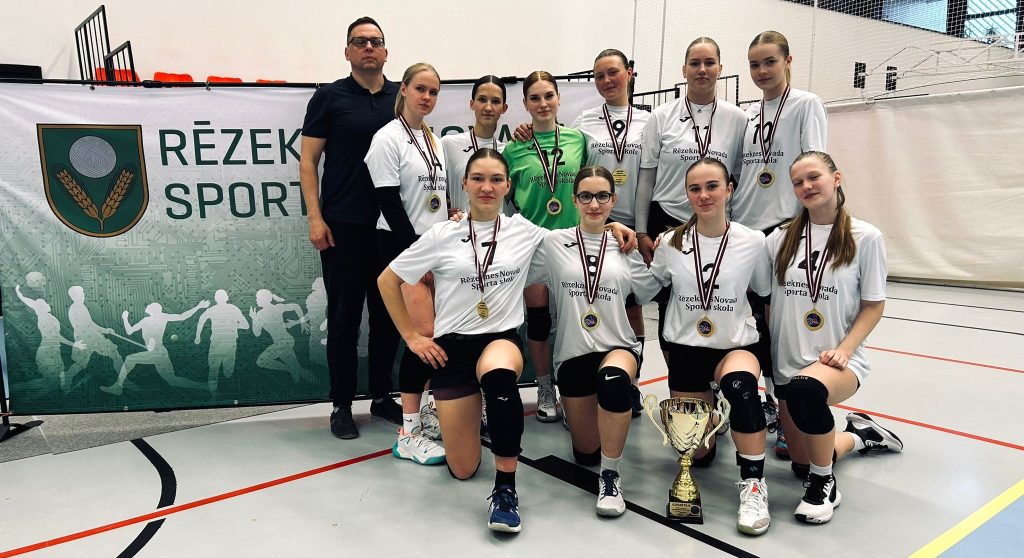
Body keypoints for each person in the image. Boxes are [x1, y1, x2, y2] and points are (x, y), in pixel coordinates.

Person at [378, 149, 634, 533]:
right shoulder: (442, 235)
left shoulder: (524, 230)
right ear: (464, 184)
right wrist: (412, 337)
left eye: (496, 179)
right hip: (453, 348)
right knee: (463, 468)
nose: (487, 187)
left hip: (500, 341)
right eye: (478, 178)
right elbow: (388, 280)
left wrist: (612, 225)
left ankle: (505, 489)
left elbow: (580, 234)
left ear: (507, 186)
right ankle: (445, 428)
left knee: (499, 376)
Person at [756, 151, 902, 525]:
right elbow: (765, 298)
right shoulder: (780, 238)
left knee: (806, 393)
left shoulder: (865, 237)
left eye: (814, 177)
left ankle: (825, 484)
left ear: (836, 178)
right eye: (798, 182)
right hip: (788, 362)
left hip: (836, 362)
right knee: (801, 463)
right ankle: (860, 435)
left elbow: (873, 305)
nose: (806, 186)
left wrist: (845, 350)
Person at [647, 158, 774, 535]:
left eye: (712, 186)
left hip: (733, 346)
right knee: (697, 455)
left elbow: (763, 291)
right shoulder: (671, 242)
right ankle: (716, 416)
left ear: (729, 189)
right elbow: (649, 285)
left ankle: (754, 485)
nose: (704, 195)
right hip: (686, 349)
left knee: (741, 387)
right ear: (687, 194)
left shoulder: (753, 241)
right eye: (695, 188)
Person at [530, 166, 661, 517]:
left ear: (613, 199)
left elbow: (649, 289)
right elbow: (511, 255)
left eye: (602, 196)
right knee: (585, 453)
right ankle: (587, 421)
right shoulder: (553, 243)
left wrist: (655, 248)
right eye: (586, 196)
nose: (594, 204)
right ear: (574, 200)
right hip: (572, 354)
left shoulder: (624, 247)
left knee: (613, 381)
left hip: (618, 347)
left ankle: (611, 476)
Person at [300, 16, 403, 439]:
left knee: (387, 318)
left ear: (386, 51)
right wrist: (315, 217)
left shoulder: (401, 96)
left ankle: (381, 396)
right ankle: (341, 404)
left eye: (376, 41)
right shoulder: (328, 97)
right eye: (360, 42)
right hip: (342, 225)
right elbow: (309, 162)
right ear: (347, 52)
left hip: (391, 228)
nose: (368, 48)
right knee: (344, 320)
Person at [732, 30, 829, 459]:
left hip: (786, 228)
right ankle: (769, 403)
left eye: (769, 61)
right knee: (752, 325)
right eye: (754, 64)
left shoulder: (806, 104)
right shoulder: (748, 115)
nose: (762, 71)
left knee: (784, 328)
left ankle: (790, 412)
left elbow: (815, 166)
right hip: (746, 229)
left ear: (788, 61)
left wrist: (806, 226)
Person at [634, 37, 749, 371]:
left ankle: (717, 376)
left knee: (717, 298)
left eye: (709, 63)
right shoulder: (661, 116)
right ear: (683, 69)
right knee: (670, 304)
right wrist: (642, 230)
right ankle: (681, 381)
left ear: (720, 68)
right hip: (667, 221)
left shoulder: (737, 118)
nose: (702, 70)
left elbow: (738, 178)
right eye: (695, 63)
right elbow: (646, 178)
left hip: (716, 225)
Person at [365, 62, 448, 463]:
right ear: (403, 89)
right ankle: (408, 433)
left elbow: (435, 200)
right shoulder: (387, 138)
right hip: (402, 246)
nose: (427, 97)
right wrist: (418, 256)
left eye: (433, 92)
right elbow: (388, 202)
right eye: (420, 89)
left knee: (440, 335)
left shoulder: (434, 139)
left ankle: (427, 413)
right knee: (423, 336)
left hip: (435, 248)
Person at [502, 70, 588, 422]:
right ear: (525, 104)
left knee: (571, 323)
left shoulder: (577, 139)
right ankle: (544, 388)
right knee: (538, 323)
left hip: (571, 242)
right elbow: (504, 200)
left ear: (558, 98)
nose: (542, 103)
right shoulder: (513, 148)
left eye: (548, 96)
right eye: (534, 98)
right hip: (532, 243)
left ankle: (571, 390)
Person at [571, 50, 652, 416]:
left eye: (613, 72)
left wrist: (643, 229)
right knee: (597, 301)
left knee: (633, 307)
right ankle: (595, 378)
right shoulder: (584, 121)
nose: (606, 81)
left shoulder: (649, 121)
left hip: (633, 228)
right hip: (595, 224)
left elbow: (651, 176)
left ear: (629, 73)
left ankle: (631, 383)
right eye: (599, 75)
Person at [441, 75, 509, 214]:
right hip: (462, 226)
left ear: (504, 108)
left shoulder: (508, 151)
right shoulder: (448, 145)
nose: (488, 107)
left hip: (500, 227)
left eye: (495, 101)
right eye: (482, 100)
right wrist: (442, 212)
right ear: (472, 104)